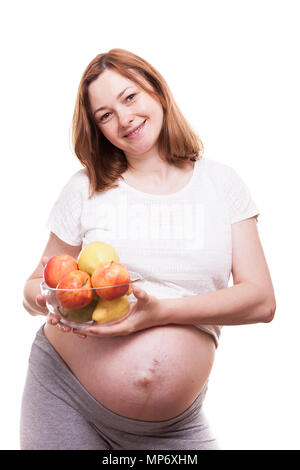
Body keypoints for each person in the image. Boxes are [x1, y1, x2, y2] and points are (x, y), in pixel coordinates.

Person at [21, 48, 276, 450]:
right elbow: (36, 284)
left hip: (172, 428)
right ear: (98, 128)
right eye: (105, 115)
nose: (124, 119)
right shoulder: (84, 188)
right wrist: (50, 297)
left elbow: (261, 301)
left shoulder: (222, 185)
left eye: (129, 97)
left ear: (156, 90)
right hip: (65, 395)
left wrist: (159, 313)